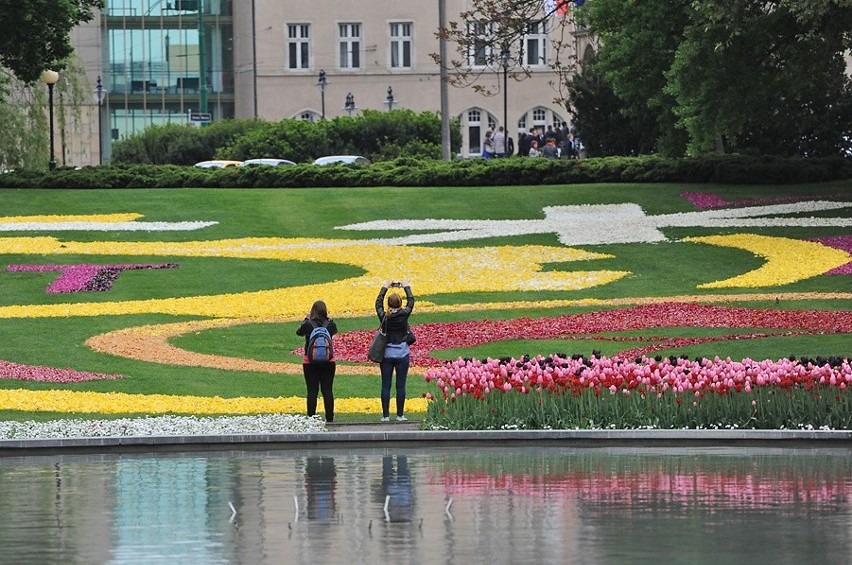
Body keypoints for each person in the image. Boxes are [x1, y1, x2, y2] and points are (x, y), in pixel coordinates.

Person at [375, 281, 415, 422]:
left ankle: (385, 416)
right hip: (402, 353)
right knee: (400, 385)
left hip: (386, 354)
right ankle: (400, 415)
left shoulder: (384, 316)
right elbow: (411, 302)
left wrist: (385, 287)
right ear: (400, 304)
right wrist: (406, 287)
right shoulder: (404, 314)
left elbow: (378, 304)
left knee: (386, 385)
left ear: (389, 304)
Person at [296, 300, 338, 423]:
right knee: (327, 390)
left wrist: (305, 320)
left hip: (310, 361)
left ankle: (311, 418)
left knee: (312, 390)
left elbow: (299, 332)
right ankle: (330, 419)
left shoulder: (308, 324)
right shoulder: (330, 324)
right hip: (328, 361)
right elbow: (334, 331)